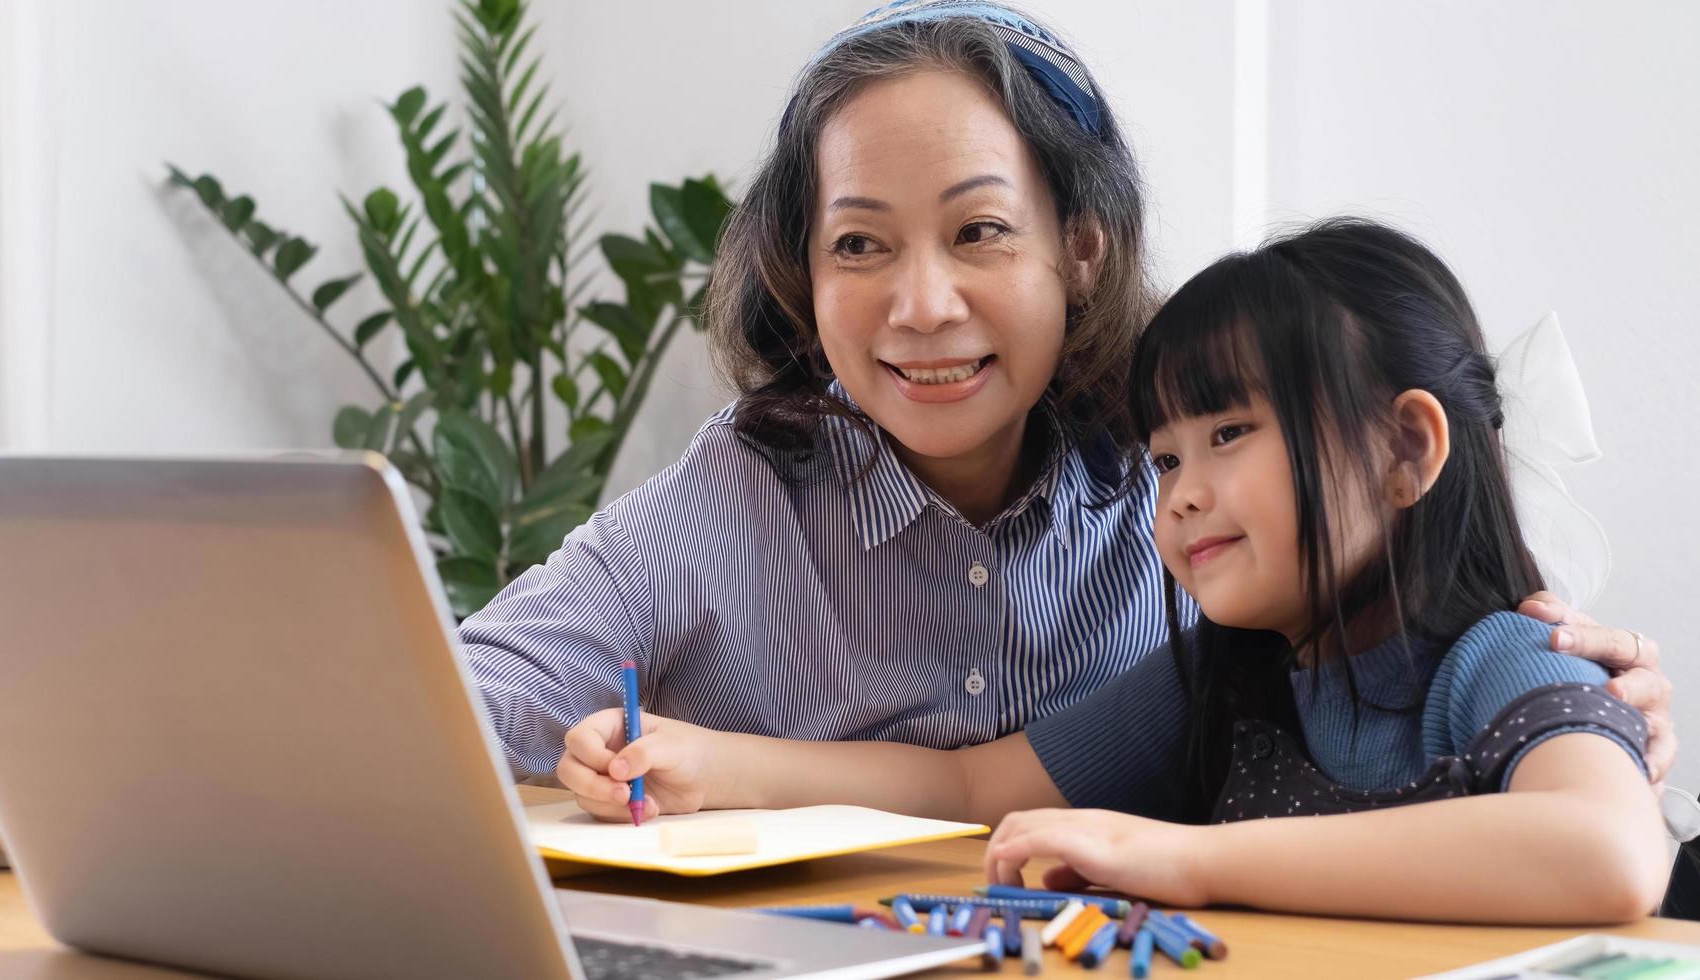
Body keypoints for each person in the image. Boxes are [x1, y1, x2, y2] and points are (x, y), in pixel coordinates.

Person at [460, 1, 1673, 786]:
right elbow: (462, 699)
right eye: (859, 245)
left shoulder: (1186, 497)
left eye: (979, 230)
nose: (921, 305)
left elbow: (1432, 677)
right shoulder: (731, 488)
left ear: (1080, 247)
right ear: (801, 270)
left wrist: (1572, 708)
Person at [558, 219, 1670, 923]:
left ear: (1406, 448)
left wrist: (1188, 858)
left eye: (1228, 433)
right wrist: (715, 760)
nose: (1176, 492)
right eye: (1164, 454)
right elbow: (962, 786)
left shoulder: (1509, 652)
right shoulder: (1216, 676)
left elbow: (1607, 853)